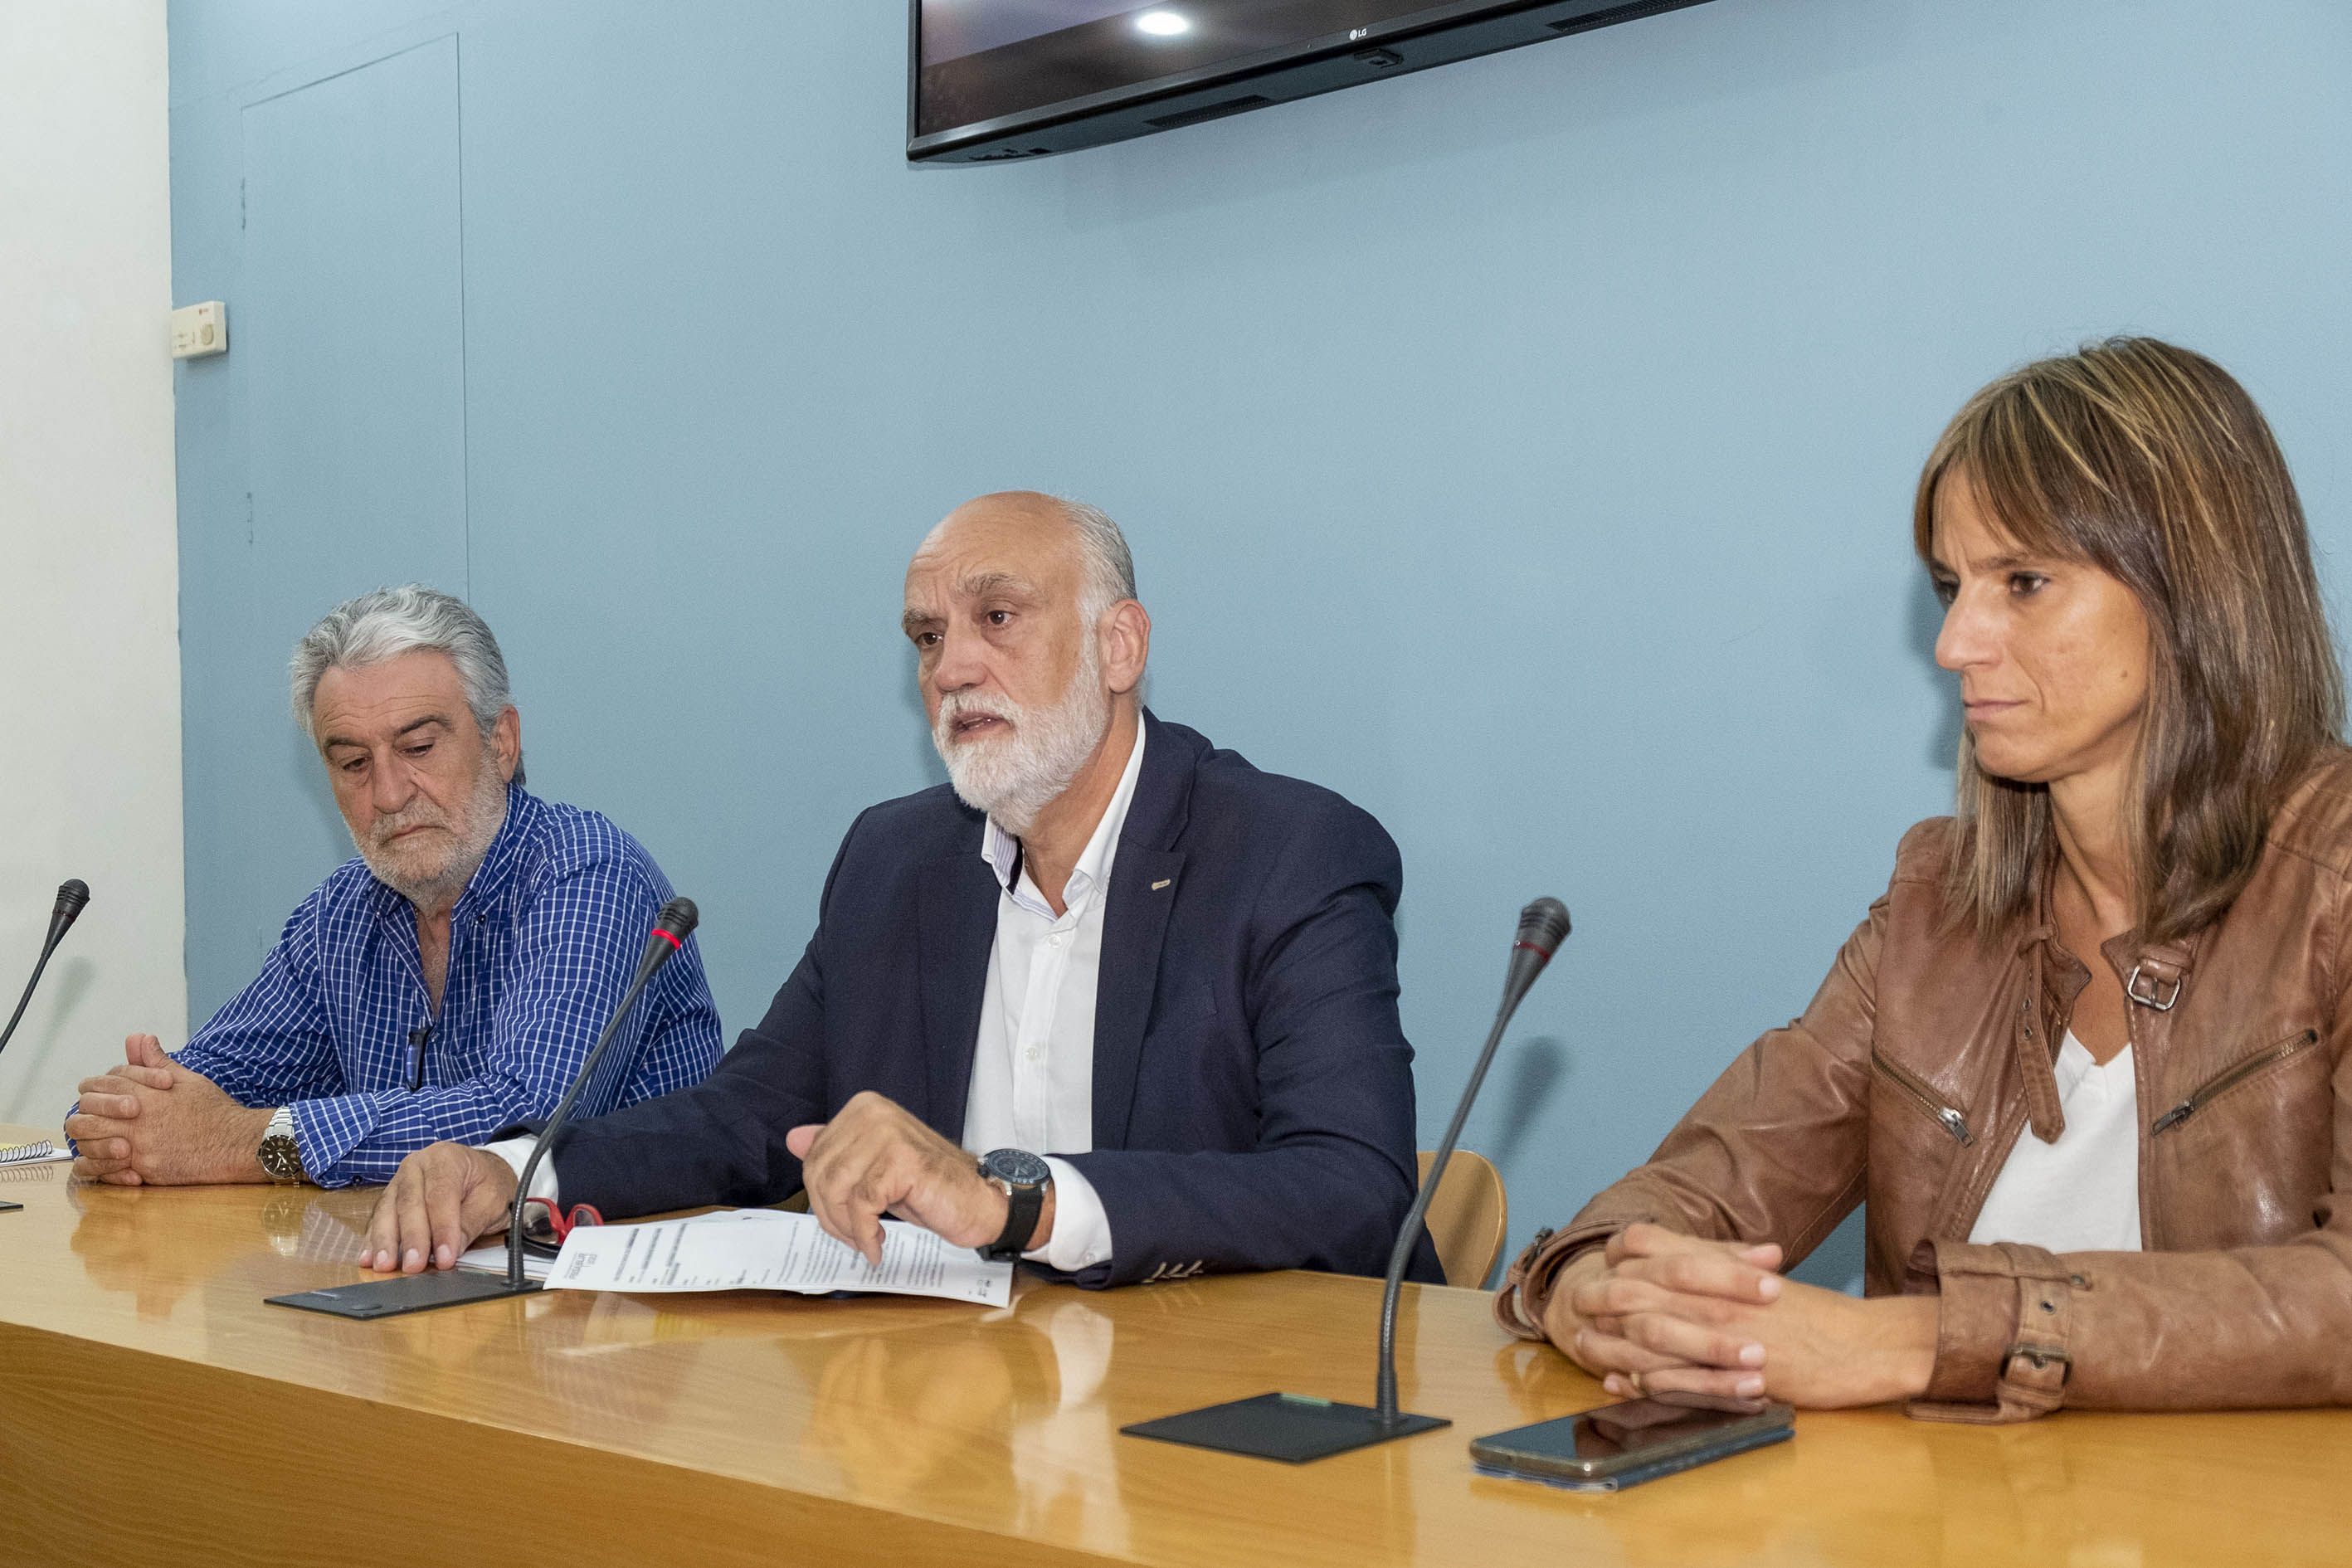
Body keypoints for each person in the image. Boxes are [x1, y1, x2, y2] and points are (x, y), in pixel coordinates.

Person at [1500, 338, 2352, 1421]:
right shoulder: (1933, 903)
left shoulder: (2332, 881)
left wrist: (1923, 1337)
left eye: (2023, 582)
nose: (1953, 641)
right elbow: (1710, 1179)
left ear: (2193, 589)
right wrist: (1595, 1282)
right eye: (1952, 586)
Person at [363, 492, 1439, 1286]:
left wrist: (1014, 1199)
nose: (951, 666)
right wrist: (520, 1172)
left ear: (1119, 645)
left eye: (996, 619)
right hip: (963, 1399)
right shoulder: (895, 860)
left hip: (1232, 1407)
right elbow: (747, 1115)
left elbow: (1350, 1184)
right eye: (927, 637)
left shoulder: (1286, 849)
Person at [66, 586, 723, 1189]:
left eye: (417, 748)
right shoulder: (344, 913)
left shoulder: (586, 874)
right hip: (415, 1280)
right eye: (353, 762)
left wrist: (246, 1142)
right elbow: (203, 1091)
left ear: (502, 742)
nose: (387, 793)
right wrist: (125, 1122)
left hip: (615, 1292)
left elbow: (525, 1114)